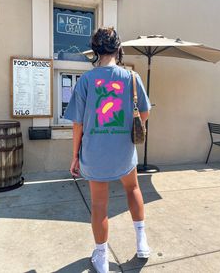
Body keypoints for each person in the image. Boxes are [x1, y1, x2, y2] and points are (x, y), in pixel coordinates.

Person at [64, 27, 151, 273]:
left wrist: (74, 156)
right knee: (133, 188)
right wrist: (131, 128)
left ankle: (101, 258)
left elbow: (78, 124)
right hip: (124, 152)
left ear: (96, 51)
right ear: (118, 48)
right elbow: (144, 112)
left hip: (94, 153)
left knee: (99, 205)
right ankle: (142, 243)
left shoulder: (86, 82)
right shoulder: (132, 78)